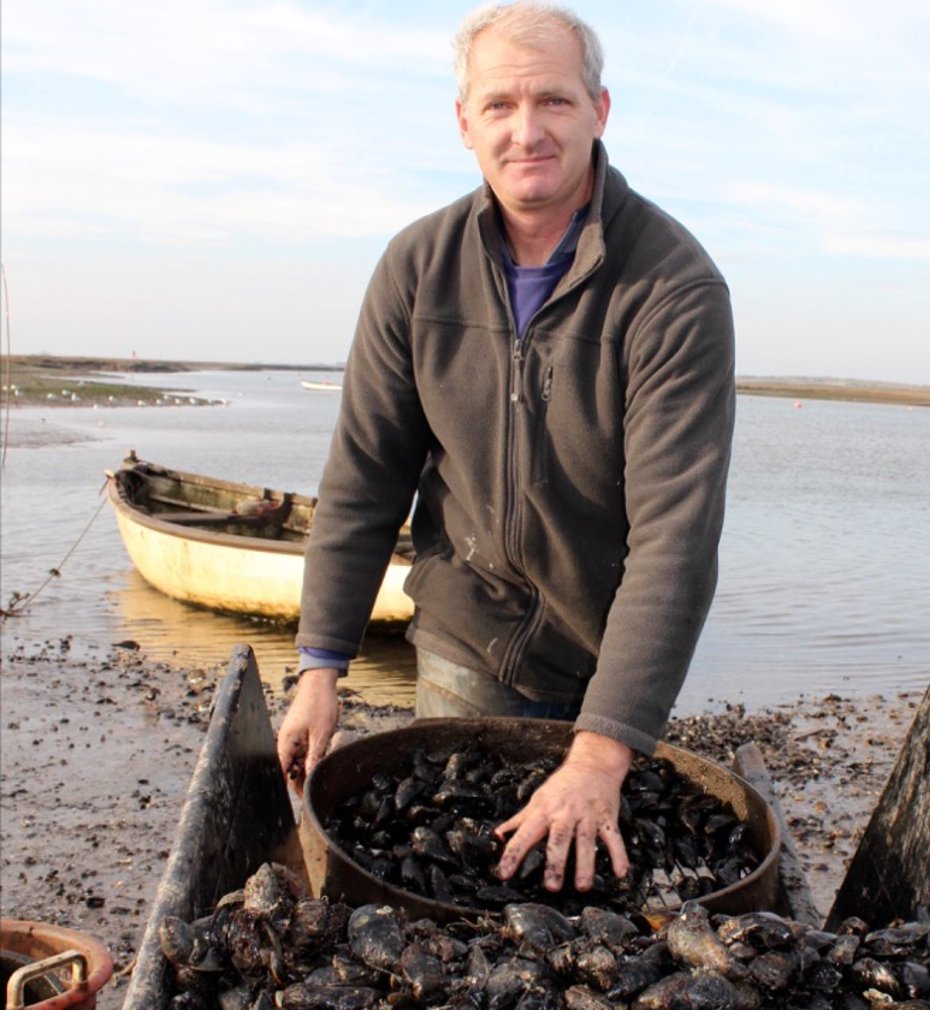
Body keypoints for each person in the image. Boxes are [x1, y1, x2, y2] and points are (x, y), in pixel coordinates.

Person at [275, 0, 735, 895]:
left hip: (607, 655)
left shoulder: (673, 286)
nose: (527, 130)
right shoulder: (416, 267)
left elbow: (675, 540)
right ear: (464, 122)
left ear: (599, 112)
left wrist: (605, 748)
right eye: (500, 105)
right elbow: (365, 478)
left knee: (585, 900)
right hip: (466, 642)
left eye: (554, 102)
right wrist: (321, 664)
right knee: (465, 886)